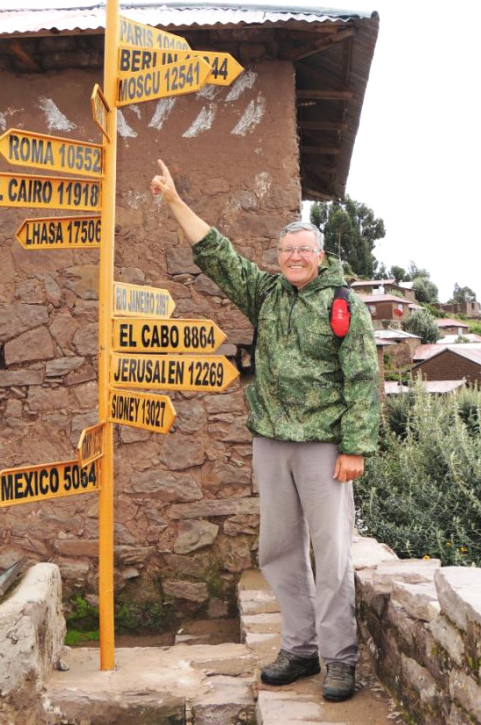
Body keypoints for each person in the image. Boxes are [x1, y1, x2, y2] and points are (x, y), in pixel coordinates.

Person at [150, 160, 380, 702]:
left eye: (304, 250)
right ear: (279, 257)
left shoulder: (342, 303)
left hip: (324, 446)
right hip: (272, 442)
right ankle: (299, 648)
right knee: (278, 550)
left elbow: (364, 377)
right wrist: (174, 202)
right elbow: (217, 254)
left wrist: (355, 448)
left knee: (332, 553)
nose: (295, 257)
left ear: (320, 256)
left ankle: (339, 658)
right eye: (287, 250)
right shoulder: (266, 294)